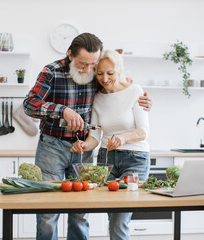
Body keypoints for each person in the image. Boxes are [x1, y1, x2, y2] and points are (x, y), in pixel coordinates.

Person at [23, 33, 152, 240]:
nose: (88, 70)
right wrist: (62, 110)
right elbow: (29, 104)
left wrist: (143, 99)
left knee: (80, 213)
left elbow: (118, 86)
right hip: (52, 147)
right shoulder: (52, 72)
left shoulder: (98, 74)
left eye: (93, 65)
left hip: (84, 150)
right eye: (83, 64)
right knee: (48, 212)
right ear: (70, 55)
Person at [70, 49, 150, 240]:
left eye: (110, 73)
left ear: (119, 71)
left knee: (119, 220)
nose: (104, 78)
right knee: (113, 217)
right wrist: (83, 145)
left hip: (135, 160)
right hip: (107, 161)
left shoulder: (135, 91)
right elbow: (96, 135)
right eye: (99, 73)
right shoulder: (97, 98)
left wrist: (123, 138)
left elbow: (143, 131)